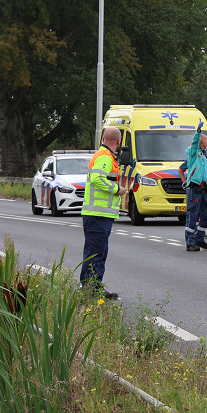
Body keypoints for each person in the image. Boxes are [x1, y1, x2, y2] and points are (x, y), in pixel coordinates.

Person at [81, 127, 124, 299]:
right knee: (96, 253)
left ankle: (92, 287)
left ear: (103, 138)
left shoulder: (103, 155)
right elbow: (97, 178)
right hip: (98, 214)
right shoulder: (105, 157)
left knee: (97, 251)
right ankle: (91, 289)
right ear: (118, 142)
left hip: (99, 214)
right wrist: (116, 189)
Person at [181, 122, 207, 252]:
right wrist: (198, 131)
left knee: (205, 214)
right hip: (195, 188)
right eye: (205, 140)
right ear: (201, 141)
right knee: (193, 214)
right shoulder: (194, 152)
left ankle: (199, 238)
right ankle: (190, 241)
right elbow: (194, 142)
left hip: (205, 189)